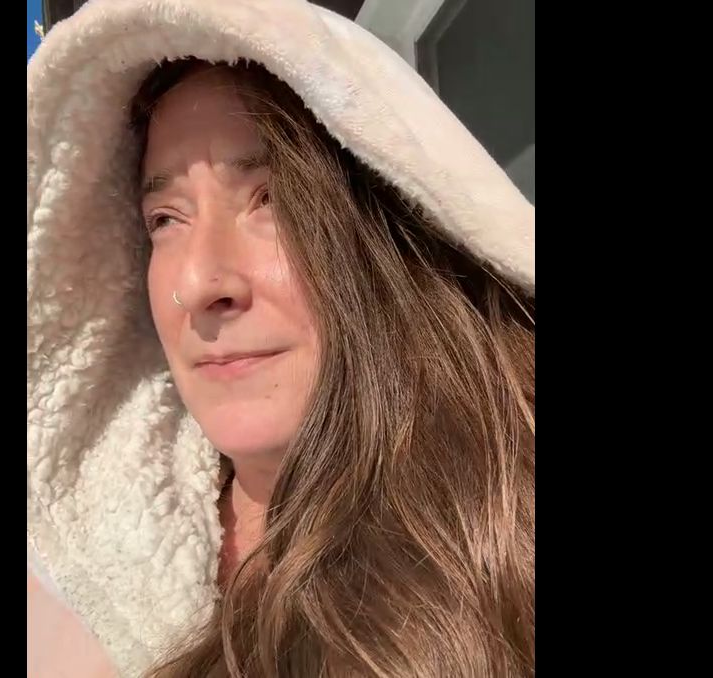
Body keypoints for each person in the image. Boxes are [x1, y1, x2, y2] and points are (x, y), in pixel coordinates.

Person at [27, 1, 534, 676]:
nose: (200, 283)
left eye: (271, 200)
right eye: (165, 218)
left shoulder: (513, 537)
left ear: (393, 226)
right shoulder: (60, 570)